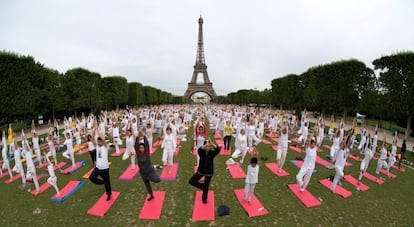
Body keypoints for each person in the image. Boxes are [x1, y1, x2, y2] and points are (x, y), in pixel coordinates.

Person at [189, 138, 220, 204]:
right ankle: (203, 187)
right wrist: (205, 144)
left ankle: (204, 198)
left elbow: (218, 150)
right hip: (201, 171)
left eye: (209, 146)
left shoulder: (212, 153)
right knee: (192, 181)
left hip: (209, 172)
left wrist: (212, 144)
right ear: (204, 146)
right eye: (206, 146)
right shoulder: (201, 152)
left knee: (206, 185)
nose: (207, 148)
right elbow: (199, 150)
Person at [89, 134, 112, 201]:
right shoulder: (97, 147)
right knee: (91, 177)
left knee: (107, 182)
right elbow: (92, 140)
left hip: (105, 168)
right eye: (98, 142)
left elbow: (104, 140)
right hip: (98, 168)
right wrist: (93, 130)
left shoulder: (106, 147)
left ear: (102, 142)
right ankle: (102, 182)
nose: (98, 143)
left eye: (100, 142)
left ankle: (109, 194)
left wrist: (98, 131)